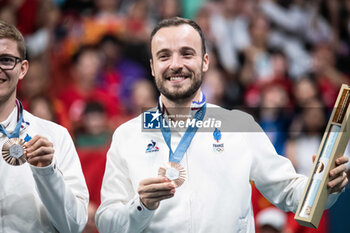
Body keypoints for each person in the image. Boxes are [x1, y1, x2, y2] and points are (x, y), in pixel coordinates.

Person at [95, 17, 349, 233]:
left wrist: (324, 186)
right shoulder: (127, 136)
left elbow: (289, 190)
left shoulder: (238, 125)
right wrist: (140, 206)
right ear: (152, 67)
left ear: (205, 61)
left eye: (186, 53)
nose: (175, 64)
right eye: (164, 56)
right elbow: (107, 223)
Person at [0, 20, 88, 232]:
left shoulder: (55, 136)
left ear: (22, 69)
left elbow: (74, 225)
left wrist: (47, 173)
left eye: (6, 60)